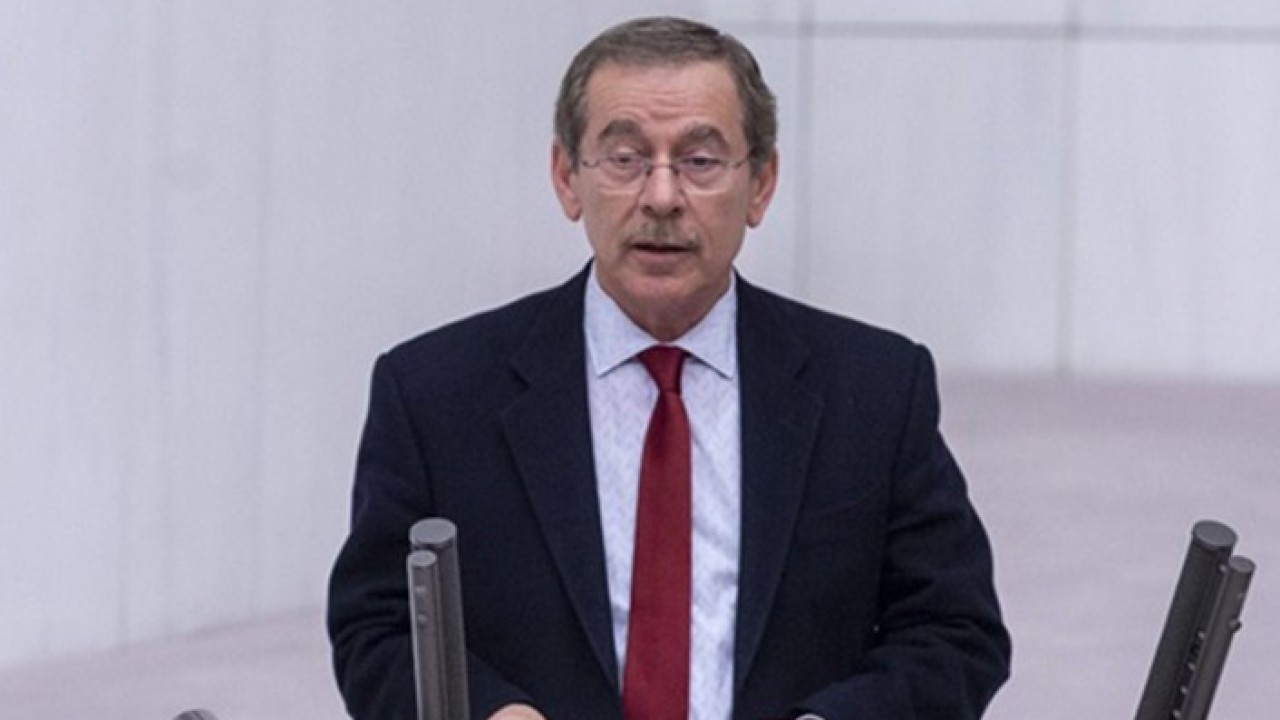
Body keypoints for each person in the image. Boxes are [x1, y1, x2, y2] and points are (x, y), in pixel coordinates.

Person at [328, 15, 1011, 720]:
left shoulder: (874, 390)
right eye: (625, 158)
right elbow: (377, 628)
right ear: (567, 177)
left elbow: (954, 632)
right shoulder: (437, 394)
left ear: (761, 184)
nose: (661, 197)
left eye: (700, 161)